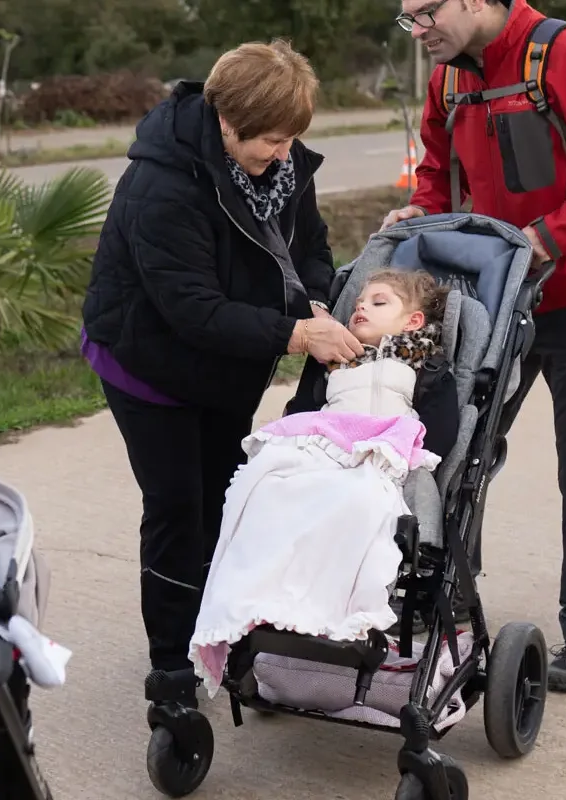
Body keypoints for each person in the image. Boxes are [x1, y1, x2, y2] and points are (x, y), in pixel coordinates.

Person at [381, 0, 566, 692]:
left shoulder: (563, 54)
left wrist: (551, 235)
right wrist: (420, 211)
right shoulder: (449, 76)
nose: (418, 32)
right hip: (485, 302)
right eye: (407, 20)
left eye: (425, 14)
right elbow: (435, 171)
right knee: (453, 456)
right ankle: (445, 604)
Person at [79, 38, 363, 713]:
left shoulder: (283, 165)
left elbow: (311, 247)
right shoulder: (161, 185)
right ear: (225, 122)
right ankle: (172, 671)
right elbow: (191, 310)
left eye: (292, 138)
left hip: (226, 361)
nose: (282, 153)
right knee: (179, 507)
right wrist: (293, 333)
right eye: (269, 138)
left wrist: (315, 298)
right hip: (147, 360)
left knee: (225, 503)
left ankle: (222, 631)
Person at [189, 269, 452, 690]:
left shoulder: (423, 364)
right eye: (358, 303)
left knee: (363, 502)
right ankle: (261, 603)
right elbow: (302, 411)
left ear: (413, 322)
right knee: (265, 489)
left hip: (377, 457)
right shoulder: (333, 363)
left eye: (378, 302)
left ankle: (334, 612)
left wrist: (408, 452)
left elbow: (442, 430)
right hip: (323, 449)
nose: (360, 307)